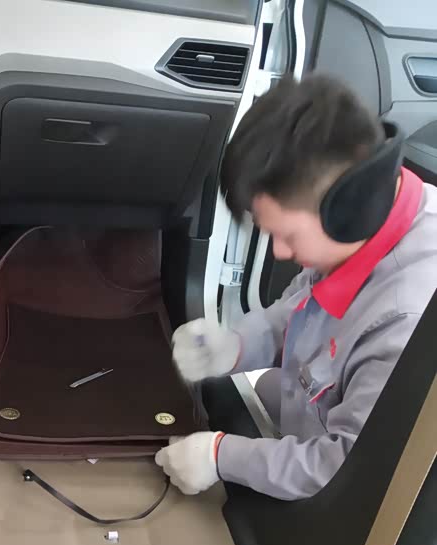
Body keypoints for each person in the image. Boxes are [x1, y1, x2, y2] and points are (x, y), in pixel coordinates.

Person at [156, 74, 437, 501]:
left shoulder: (406, 319)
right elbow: (303, 307)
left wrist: (221, 457)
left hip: (348, 482)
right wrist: (234, 346)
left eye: (288, 235)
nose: (280, 252)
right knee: (263, 389)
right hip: (312, 410)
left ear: (349, 209)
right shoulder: (361, 224)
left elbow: (344, 469)